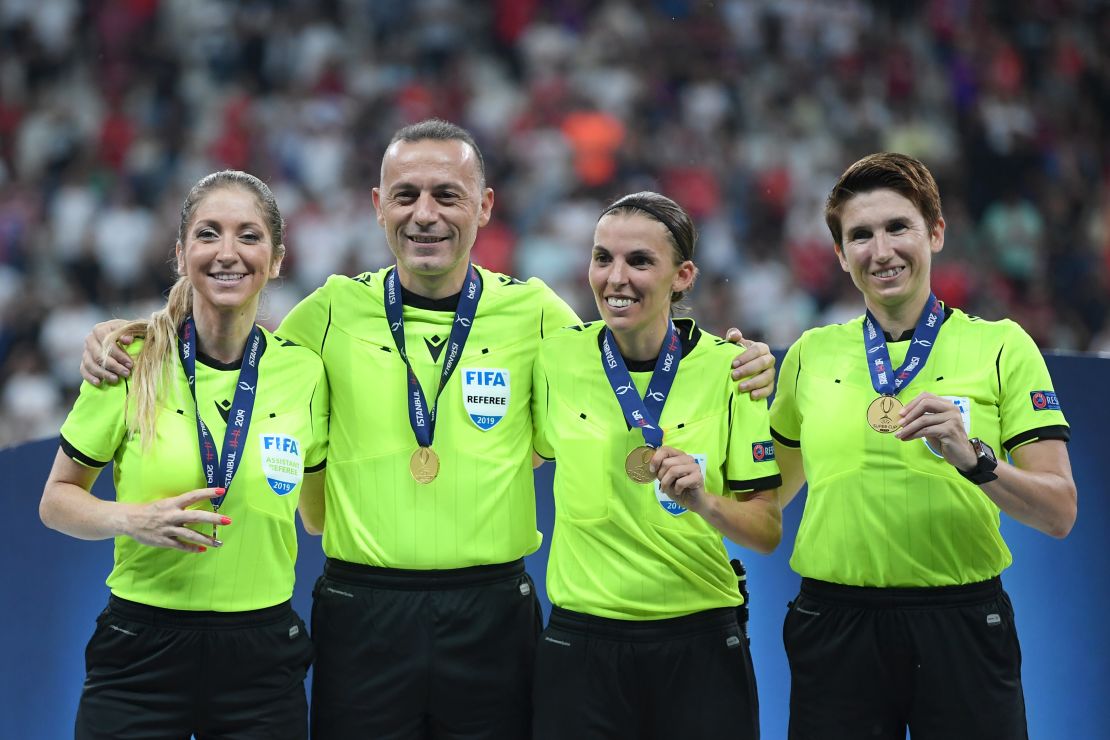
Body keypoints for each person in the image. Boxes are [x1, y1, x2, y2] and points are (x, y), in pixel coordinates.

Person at [79, 119, 778, 740]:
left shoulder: (535, 313)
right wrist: (127, 333)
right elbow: (234, 348)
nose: (426, 214)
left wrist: (732, 355)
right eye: (406, 195)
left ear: (485, 207)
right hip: (362, 612)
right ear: (379, 207)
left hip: (493, 615)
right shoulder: (329, 311)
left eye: (447, 195)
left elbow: (626, 357)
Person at [770, 153, 1077, 740]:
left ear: (935, 233)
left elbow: (1060, 511)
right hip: (835, 626)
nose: (880, 251)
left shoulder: (1002, 347)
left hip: (960, 622)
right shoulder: (810, 354)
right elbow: (763, 501)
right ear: (840, 255)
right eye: (860, 236)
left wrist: (976, 460)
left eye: (897, 227)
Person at [41, 170, 328, 739]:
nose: (228, 253)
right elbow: (56, 500)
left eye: (249, 236)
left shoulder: (305, 372)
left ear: (275, 260)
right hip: (141, 651)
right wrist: (134, 519)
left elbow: (317, 518)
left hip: (261, 657)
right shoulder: (129, 360)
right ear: (180, 254)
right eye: (208, 234)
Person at [529, 191, 783, 740]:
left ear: (682, 275)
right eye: (603, 258)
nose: (616, 277)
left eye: (639, 261)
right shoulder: (552, 359)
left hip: (699, 641)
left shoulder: (732, 371)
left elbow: (766, 531)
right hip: (582, 644)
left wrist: (706, 503)